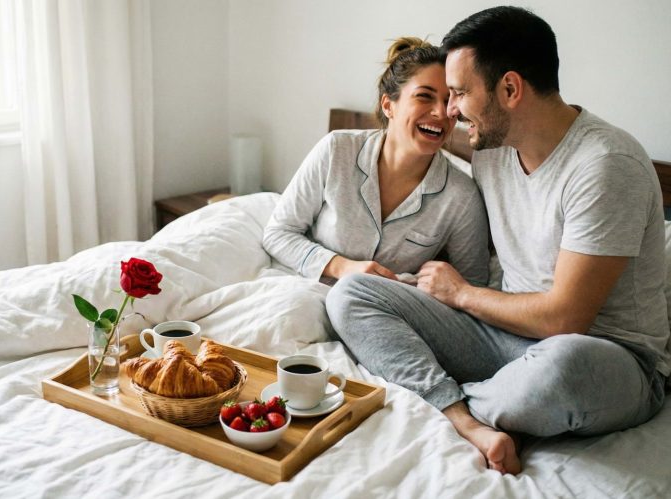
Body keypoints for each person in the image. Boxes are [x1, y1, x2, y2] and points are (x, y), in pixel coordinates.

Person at [326, 6, 669, 475]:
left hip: (603, 357)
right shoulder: (492, 149)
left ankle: (460, 402)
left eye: (460, 94)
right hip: (504, 337)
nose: (450, 112)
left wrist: (463, 294)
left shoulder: (607, 165)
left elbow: (565, 318)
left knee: (561, 367)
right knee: (351, 293)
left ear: (509, 89)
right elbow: (413, 142)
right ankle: (464, 416)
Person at [263, 37, 489, 286]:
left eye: (449, 102)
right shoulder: (337, 150)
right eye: (424, 96)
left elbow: (473, 286)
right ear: (388, 105)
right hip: (305, 288)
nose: (440, 112)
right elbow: (278, 233)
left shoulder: (461, 197)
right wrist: (342, 267)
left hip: (382, 309)